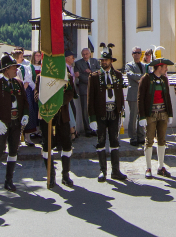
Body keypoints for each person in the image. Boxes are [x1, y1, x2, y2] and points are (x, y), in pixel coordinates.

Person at [0, 56, 27, 195]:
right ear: (6, 69)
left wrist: (26, 114)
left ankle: (8, 181)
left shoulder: (18, 83)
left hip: (16, 122)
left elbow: (25, 102)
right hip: (3, 122)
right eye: (14, 67)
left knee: (13, 150)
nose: (16, 69)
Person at [87, 43, 127, 182]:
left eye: (106, 60)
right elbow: (90, 99)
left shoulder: (118, 75)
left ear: (111, 61)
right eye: (102, 60)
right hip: (100, 114)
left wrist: (122, 112)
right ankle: (102, 171)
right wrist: (91, 118)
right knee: (101, 142)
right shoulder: (94, 76)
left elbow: (120, 94)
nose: (103, 62)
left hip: (114, 113)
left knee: (115, 141)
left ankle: (115, 171)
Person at [41, 50, 78, 188]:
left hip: (62, 116)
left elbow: (70, 93)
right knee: (47, 146)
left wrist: (57, 102)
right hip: (48, 117)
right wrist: (47, 104)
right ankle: (51, 175)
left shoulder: (66, 76)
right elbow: (36, 95)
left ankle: (65, 175)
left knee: (67, 145)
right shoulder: (42, 77)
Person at [137, 49, 173, 179]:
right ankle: (148, 167)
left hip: (163, 113)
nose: (166, 69)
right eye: (164, 67)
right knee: (149, 141)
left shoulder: (164, 79)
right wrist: (141, 116)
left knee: (162, 140)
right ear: (158, 67)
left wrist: (170, 113)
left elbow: (167, 97)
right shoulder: (146, 79)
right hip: (150, 114)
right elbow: (140, 98)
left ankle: (160, 166)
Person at [124, 47, 147, 146]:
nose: (137, 54)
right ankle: (133, 137)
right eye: (135, 52)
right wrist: (142, 77)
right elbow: (131, 75)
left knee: (142, 116)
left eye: (139, 52)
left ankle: (141, 136)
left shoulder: (145, 65)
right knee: (133, 117)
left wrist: (140, 78)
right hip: (133, 94)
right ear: (132, 54)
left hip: (143, 94)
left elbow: (148, 76)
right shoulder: (129, 65)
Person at [74, 47, 94, 137]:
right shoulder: (78, 63)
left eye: (87, 54)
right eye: (83, 54)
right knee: (85, 110)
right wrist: (91, 79)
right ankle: (87, 129)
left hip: (94, 89)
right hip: (84, 89)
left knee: (94, 109)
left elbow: (99, 72)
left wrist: (91, 72)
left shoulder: (95, 61)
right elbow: (80, 76)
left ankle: (95, 128)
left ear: (90, 54)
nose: (85, 56)